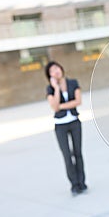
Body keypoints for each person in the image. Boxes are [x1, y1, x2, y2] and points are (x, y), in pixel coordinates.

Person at [45, 61, 87, 196]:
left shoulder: (73, 83)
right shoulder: (50, 89)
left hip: (75, 122)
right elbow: (53, 106)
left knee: (78, 153)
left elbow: (78, 101)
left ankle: (82, 182)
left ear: (61, 68)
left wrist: (61, 106)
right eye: (52, 70)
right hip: (60, 125)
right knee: (67, 156)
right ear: (49, 75)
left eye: (57, 67)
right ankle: (74, 185)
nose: (56, 71)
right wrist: (56, 88)